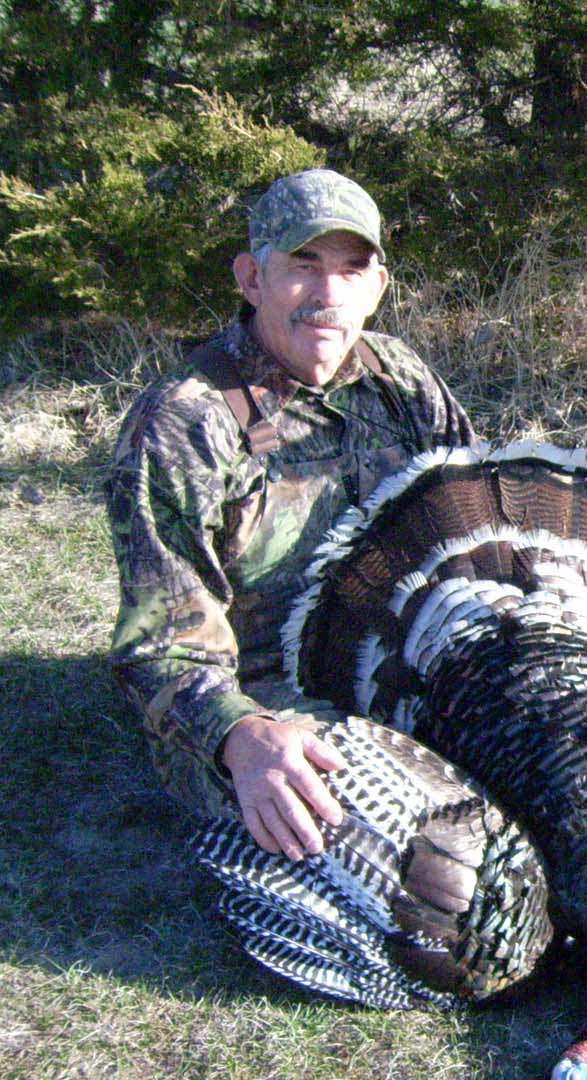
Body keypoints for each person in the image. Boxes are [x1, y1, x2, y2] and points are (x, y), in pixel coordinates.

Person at [108, 168, 474, 860]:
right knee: (425, 859)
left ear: (378, 287)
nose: (329, 294)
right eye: (304, 265)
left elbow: (472, 534)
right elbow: (161, 647)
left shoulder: (400, 378)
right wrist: (239, 734)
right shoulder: (183, 422)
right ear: (252, 279)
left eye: (351, 269)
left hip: (403, 662)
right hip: (271, 703)